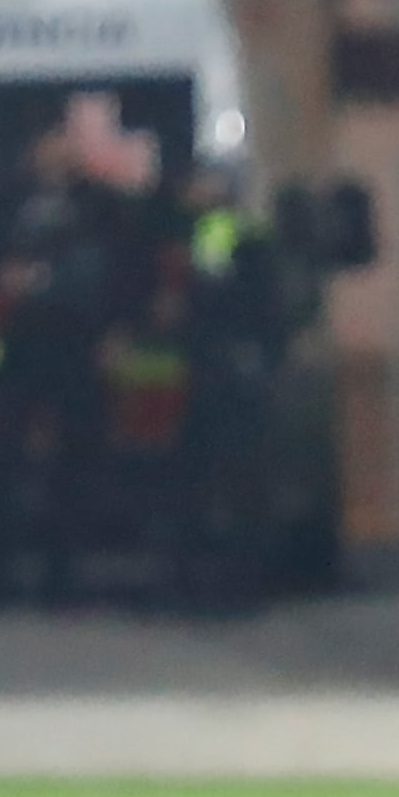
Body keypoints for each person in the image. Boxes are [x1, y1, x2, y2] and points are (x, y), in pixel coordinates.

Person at [0, 126, 123, 604]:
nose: (56, 153)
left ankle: (62, 575)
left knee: (75, 465)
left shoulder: (100, 204)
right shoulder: (9, 202)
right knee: (6, 462)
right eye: (48, 144)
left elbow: (124, 266)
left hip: (78, 344)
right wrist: (3, 274)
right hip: (22, 345)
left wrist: (115, 327)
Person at [166, 166, 288, 609]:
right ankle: (233, 581)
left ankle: (224, 583)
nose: (189, 189)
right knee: (230, 481)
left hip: (225, 373)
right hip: (233, 370)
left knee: (221, 480)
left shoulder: (220, 231)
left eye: (199, 182)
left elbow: (215, 297)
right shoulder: (235, 231)